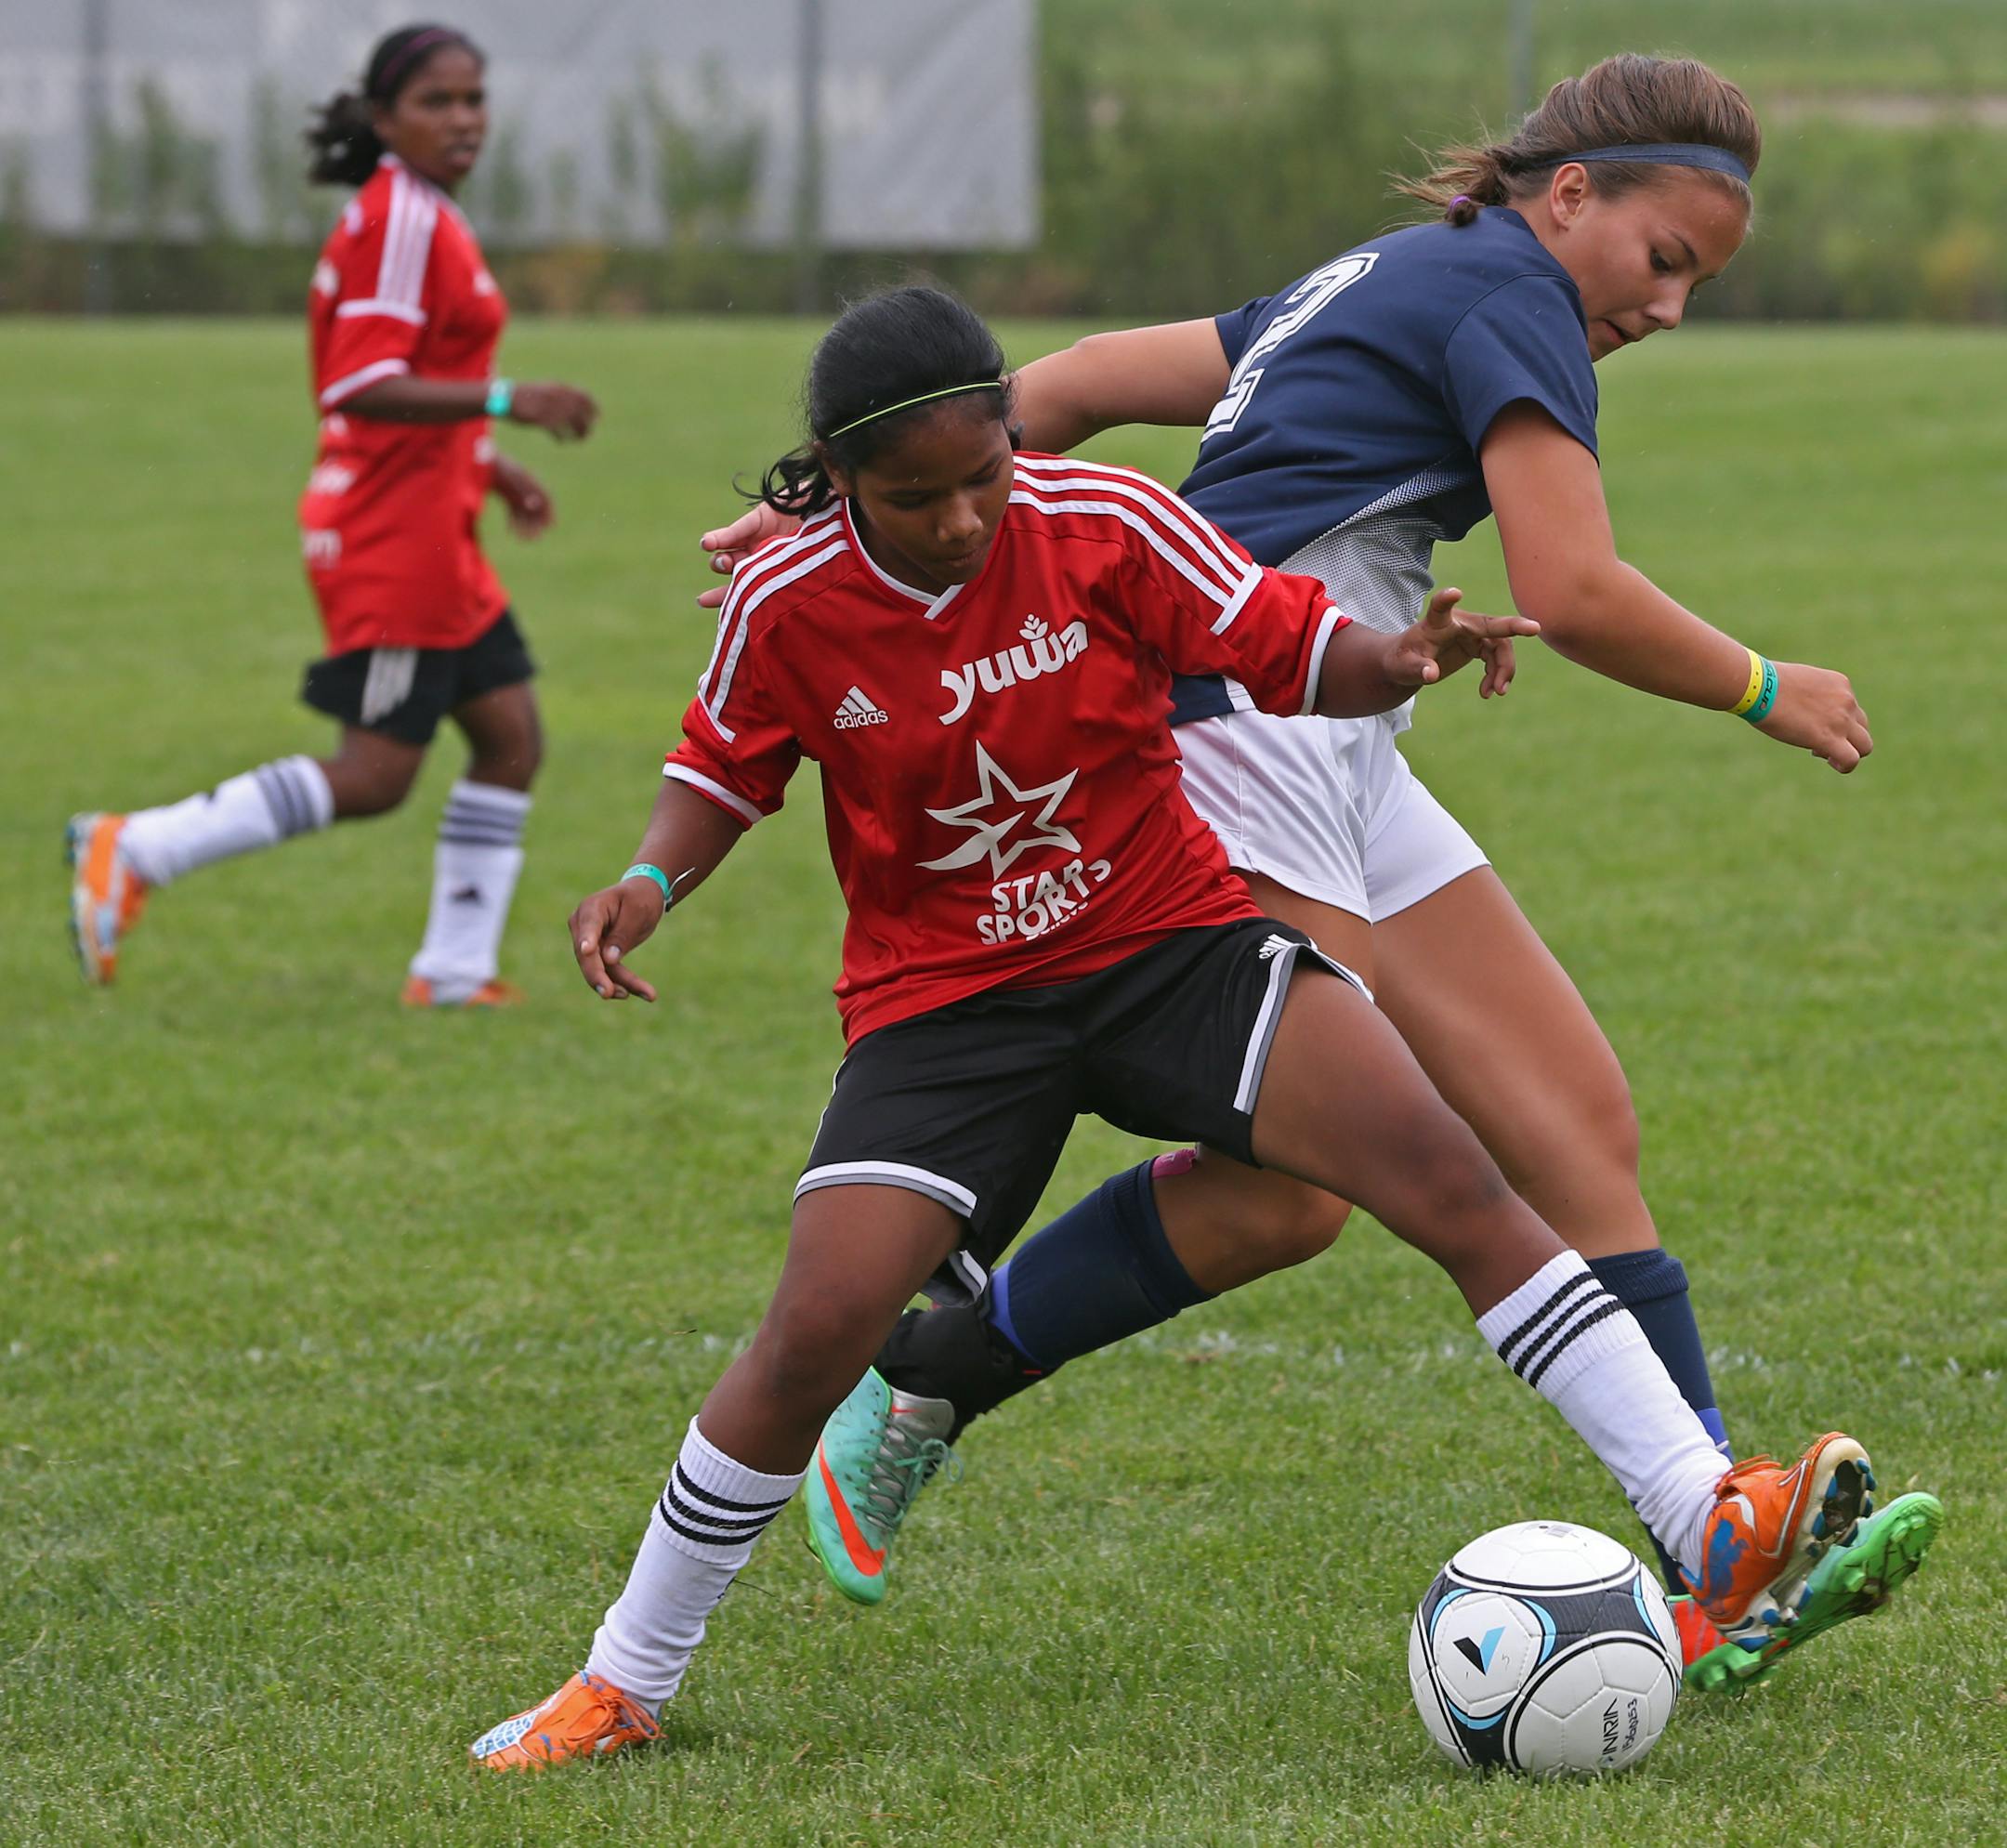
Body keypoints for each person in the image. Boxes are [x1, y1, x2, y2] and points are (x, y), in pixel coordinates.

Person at [469, 285, 1874, 1771]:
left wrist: (1393, 659)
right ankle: (624, 1680)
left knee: (1450, 1174)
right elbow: (726, 762)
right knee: (820, 1324)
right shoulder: (788, 601)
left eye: (982, 477)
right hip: (949, 1009)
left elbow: (1278, 636)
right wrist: (646, 876)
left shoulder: (1109, 523)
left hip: (1173, 948)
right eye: (911, 496)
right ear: (836, 474)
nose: (956, 519)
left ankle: (1702, 1511)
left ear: (1015, 440)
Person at [700, 55, 1938, 1691]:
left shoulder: (1397, 272)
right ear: (1568, 197)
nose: (1674, 305)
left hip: (1340, 727)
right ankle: (925, 1377)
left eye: (1700, 280)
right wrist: (1774, 688)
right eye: (1666, 261)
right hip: (1233, 725)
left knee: (1572, 1119)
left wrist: (825, 502)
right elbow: (1572, 583)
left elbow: (1060, 385)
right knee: (1296, 1186)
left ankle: (1718, 1551)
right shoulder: (1508, 293)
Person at [67, 22, 599, 1005]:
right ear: (384, 116)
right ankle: (137, 845)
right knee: (377, 772)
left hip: (434, 521)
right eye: (436, 102)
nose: (463, 119)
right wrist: (505, 401)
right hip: (390, 537)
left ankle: (453, 972)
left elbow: (418, 378)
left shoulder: (423, 210)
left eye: (473, 98)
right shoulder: (403, 216)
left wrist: (490, 468)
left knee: (510, 736)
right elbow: (359, 383)